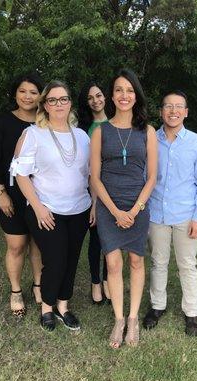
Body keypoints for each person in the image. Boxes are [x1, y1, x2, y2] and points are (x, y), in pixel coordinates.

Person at [10, 80, 91, 331]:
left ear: (70, 103)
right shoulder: (33, 134)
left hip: (79, 209)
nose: (59, 104)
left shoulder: (82, 135)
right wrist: (37, 207)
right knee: (55, 260)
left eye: (63, 99)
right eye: (52, 100)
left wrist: (95, 204)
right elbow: (20, 174)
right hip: (46, 210)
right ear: (44, 104)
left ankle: (63, 306)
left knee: (71, 258)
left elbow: (90, 175)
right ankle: (47, 307)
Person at [90, 68, 157, 347]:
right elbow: (94, 176)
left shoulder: (148, 131)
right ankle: (119, 319)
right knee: (113, 263)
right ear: (112, 95)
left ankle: (133, 319)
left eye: (129, 90)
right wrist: (116, 211)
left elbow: (152, 176)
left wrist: (135, 208)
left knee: (136, 261)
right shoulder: (100, 131)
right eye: (119, 89)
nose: (124, 95)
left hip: (138, 206)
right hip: (109, 206)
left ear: (136, 95)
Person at [143, 90, 197, 337]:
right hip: (156, 213)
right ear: (161, 111)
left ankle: (191, 312)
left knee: (187, 265)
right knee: (158, 262)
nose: (173, 111)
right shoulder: (150, 139)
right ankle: (157, 306)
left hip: (186, 215)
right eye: (168, 106)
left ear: (186, 112)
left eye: (178, 106)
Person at [0, 73, 44, 317]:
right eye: (23, 91)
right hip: (10, 194)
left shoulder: (45, 124)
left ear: (40, 95)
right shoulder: (1, 124)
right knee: (17, 245)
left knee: (39, 245)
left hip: (41, 195)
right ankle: (16, 290)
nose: (28, 96)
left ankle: (39, 286)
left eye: (33, 92)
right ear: (15, 94)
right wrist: (0, 192)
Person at [78, 81, 109, 304]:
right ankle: (96, 282)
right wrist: (95, 201)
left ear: (105, 97)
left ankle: (109, 280)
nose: (96, 100)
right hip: (92, 191)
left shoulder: (116, 123)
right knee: (96, 239)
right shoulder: (82, 129)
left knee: (111, 240)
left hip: (115, 190)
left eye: (98, 95)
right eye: (90, 98)